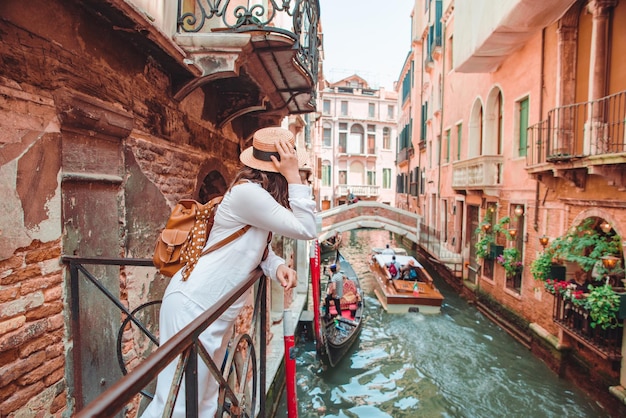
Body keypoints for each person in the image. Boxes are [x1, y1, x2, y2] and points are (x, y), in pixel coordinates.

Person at [141, 126, 317, 418]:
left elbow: (258, 246)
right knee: (175, 406)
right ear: (278, 169)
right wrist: (294, 175)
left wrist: (277, 266)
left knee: (206, 403)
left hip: (214, 310)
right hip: (193, 305)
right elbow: (307, 228)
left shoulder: (258, 198)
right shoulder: (248, 195)